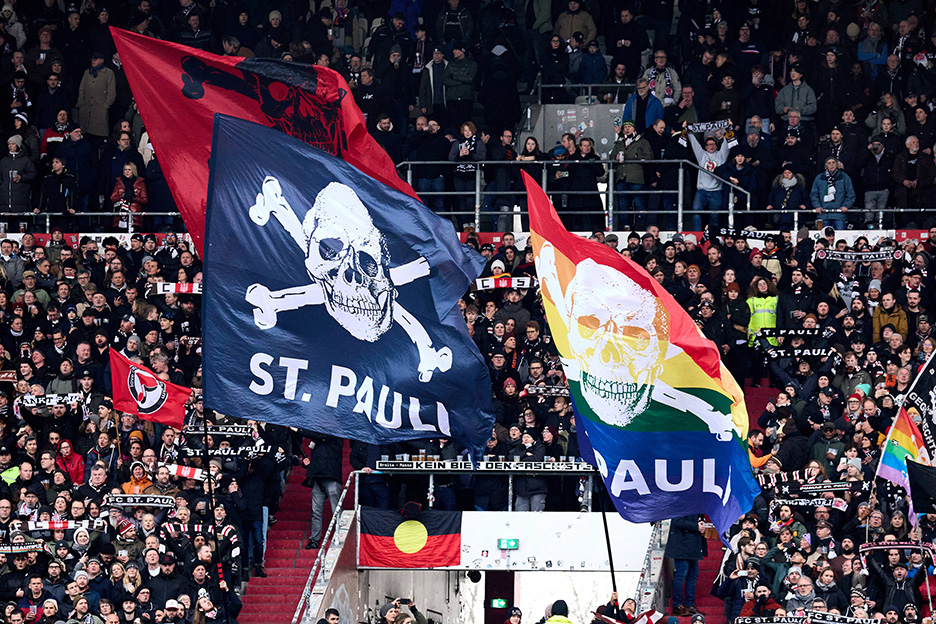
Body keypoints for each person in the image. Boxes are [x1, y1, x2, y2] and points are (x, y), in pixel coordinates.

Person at [666, 515, 706, 616]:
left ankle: (689, 605)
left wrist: (702, 524)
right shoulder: (680, 501)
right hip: (681, 544)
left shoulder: (697, 504)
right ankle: (677, 605)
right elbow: (676, 521)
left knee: (693, 575)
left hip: (694, 545)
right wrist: (696, 526)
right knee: (681, 574)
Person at [810, 156, 856, 231]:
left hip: (839, 215)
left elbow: (851, 194)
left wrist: (846, 206)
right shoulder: (819, 178)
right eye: (829, 163)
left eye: (833, 163)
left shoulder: (844, 177)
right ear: (826, 165)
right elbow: (814, 195)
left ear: (837, 164)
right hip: (823, 215)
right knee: (822, 238)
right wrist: (817, 206)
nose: (831, 165)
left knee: (840, 238)